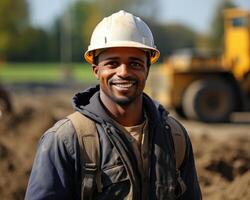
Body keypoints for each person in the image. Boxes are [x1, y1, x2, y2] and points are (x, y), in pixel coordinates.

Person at [25, 10, 201, 199]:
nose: (123, 72)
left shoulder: (175, 137)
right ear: (96, 70)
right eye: (112, 63)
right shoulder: (65, 140)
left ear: (147, 70)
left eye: (135, 63)